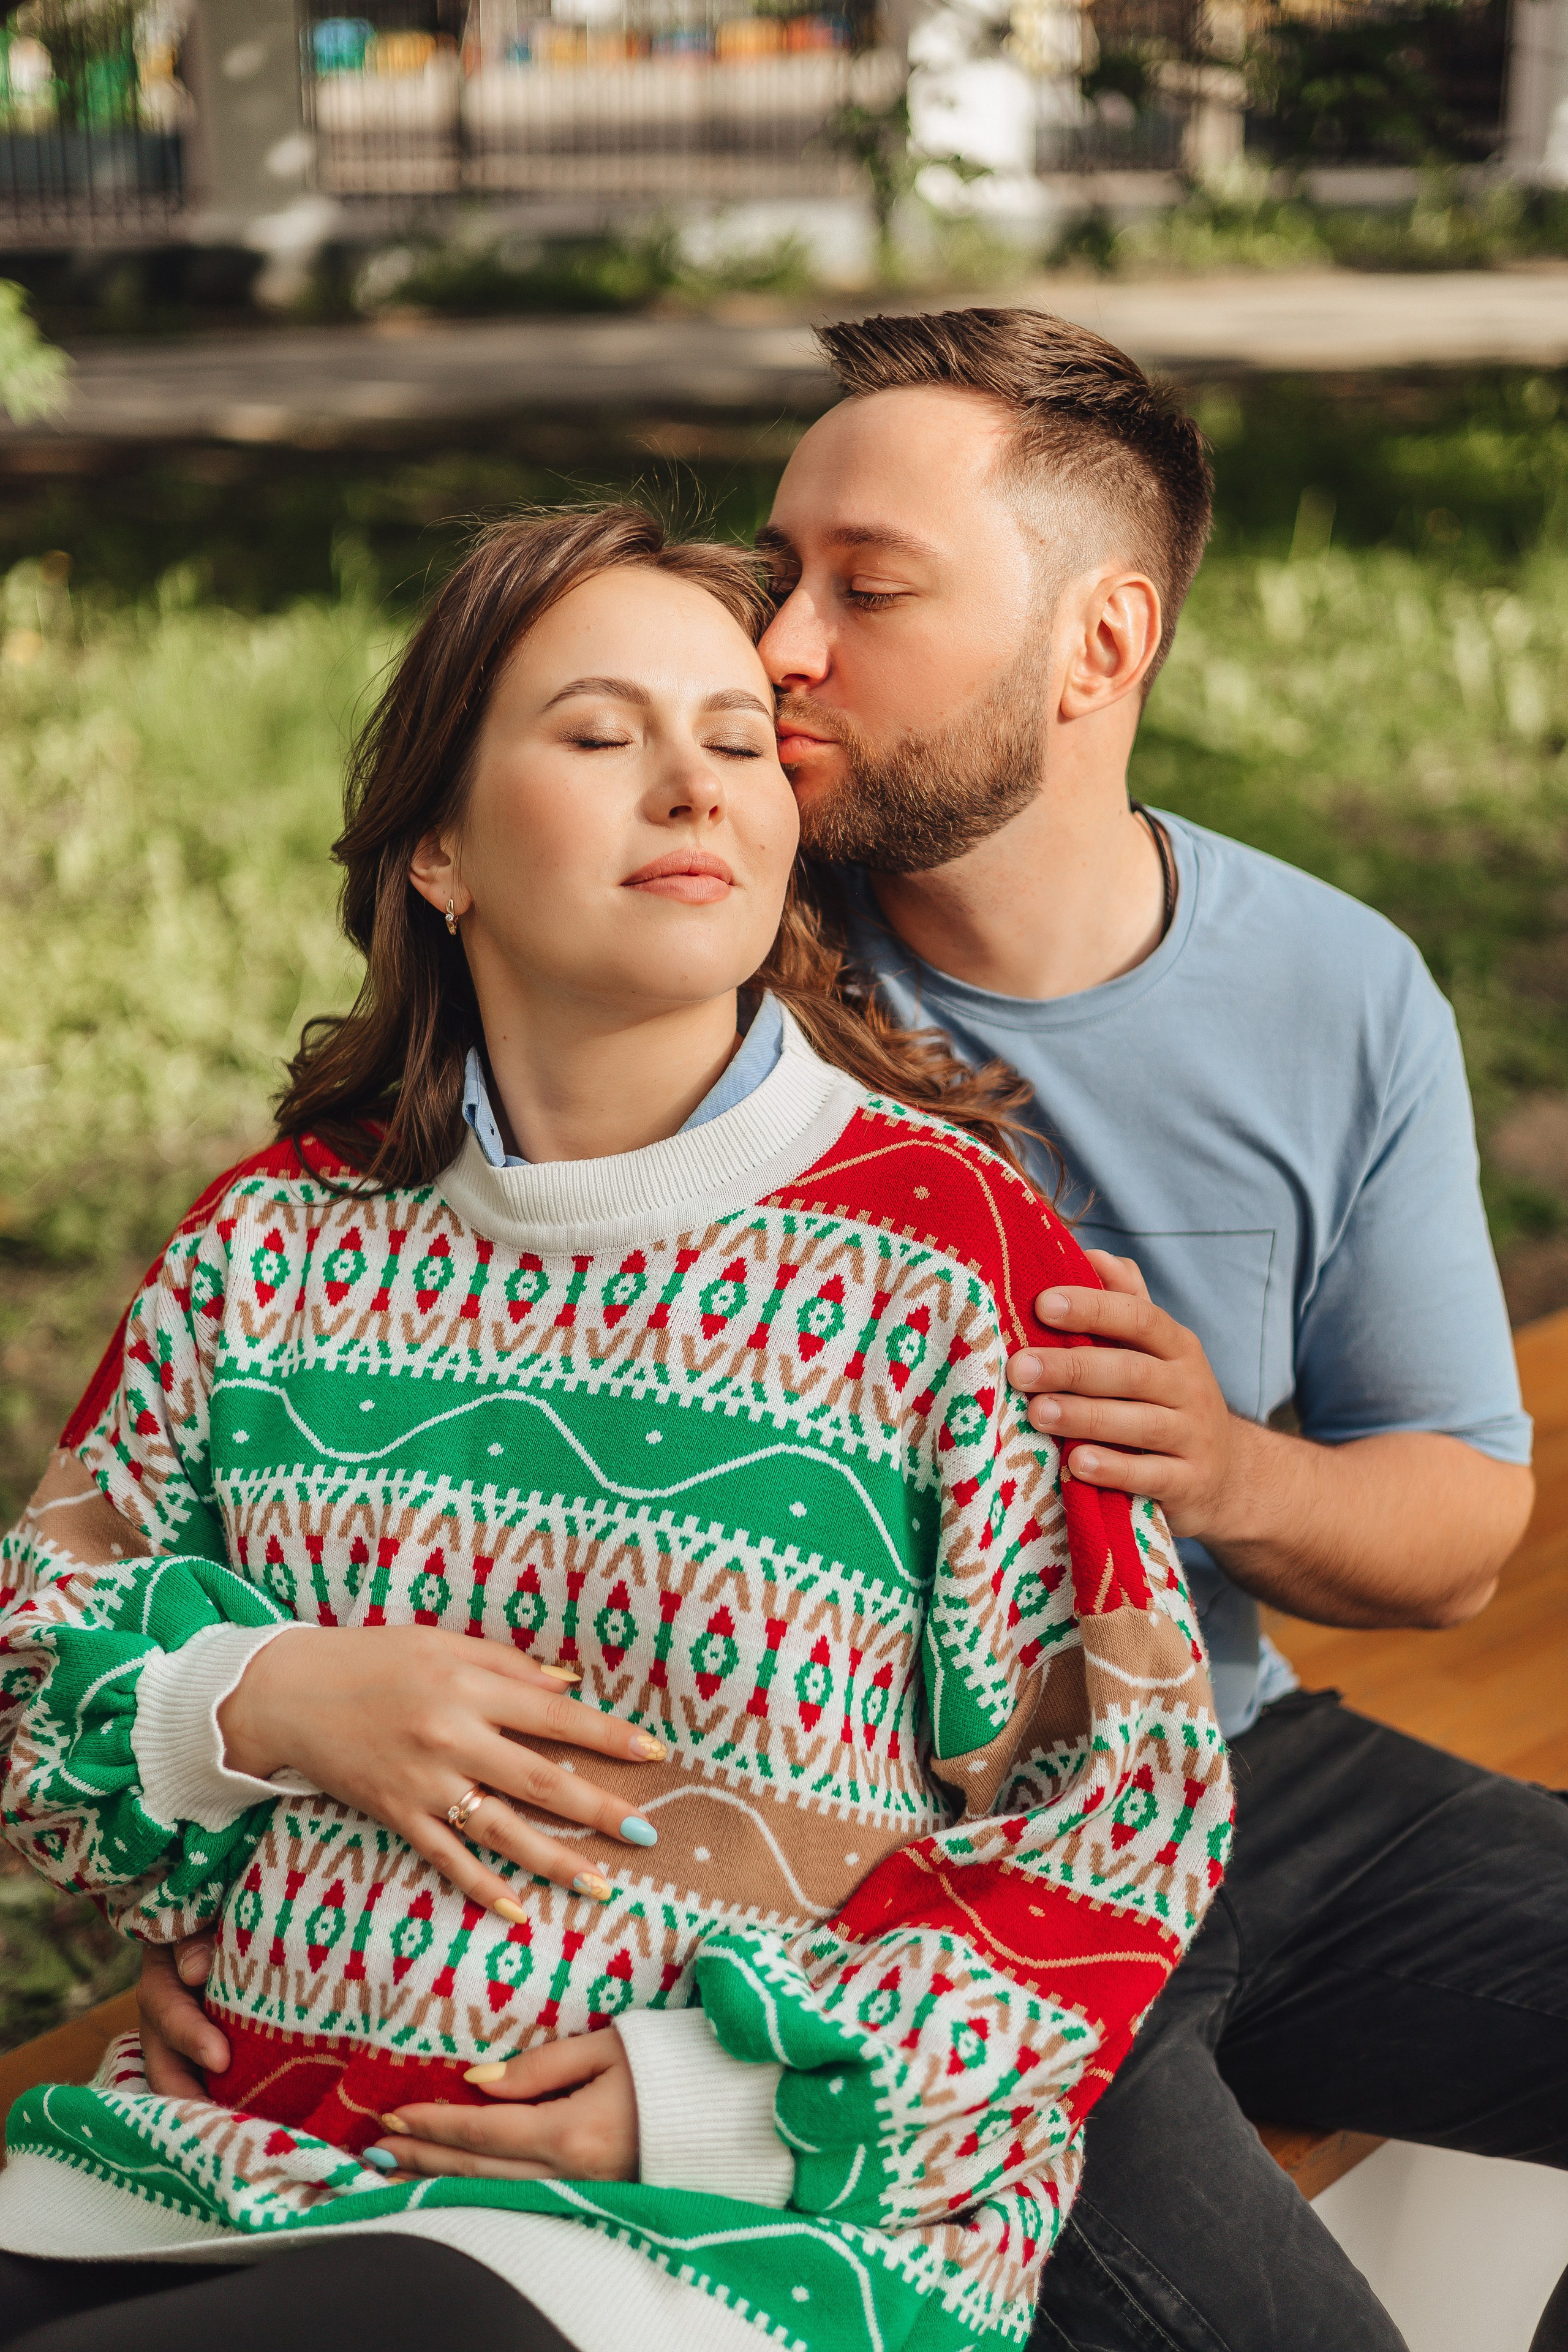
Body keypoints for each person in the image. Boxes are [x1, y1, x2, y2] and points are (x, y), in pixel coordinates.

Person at [0, 505, 1230, 2352]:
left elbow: (1119, 1816)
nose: (695, 788)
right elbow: (36, 1692)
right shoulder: (272, 1241)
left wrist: (715, 2107)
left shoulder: (946, 1258)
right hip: (221, 2156)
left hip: (675, 2246)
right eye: (601, 735)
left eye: (741, 741)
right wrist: (262, 1699)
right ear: (439, 852)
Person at [743, 307, 1555, 2352]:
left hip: (1246, 1776)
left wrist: (1227, 1470)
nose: (779, 651)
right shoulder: (702, 965)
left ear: (1102, 645)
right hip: (899, 1883)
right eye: (779, 576)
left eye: (869, 588)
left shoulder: (1338, 988)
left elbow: (1457, 1526)